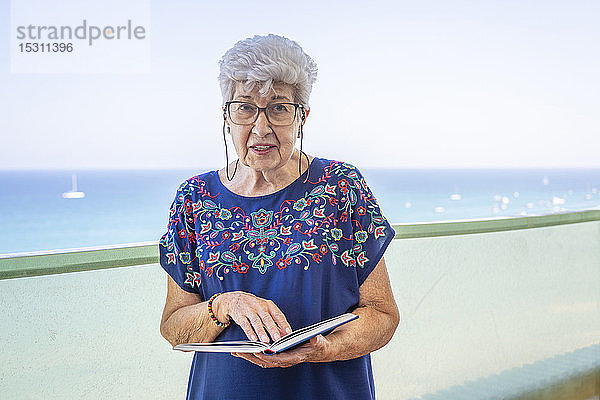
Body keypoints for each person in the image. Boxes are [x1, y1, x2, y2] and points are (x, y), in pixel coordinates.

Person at [159, 34, 399, 400]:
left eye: (278, 108)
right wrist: (223, 305)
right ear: (226, 117)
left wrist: (327, 349)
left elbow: (383, 316)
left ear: (302, 117)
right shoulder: (194, 198)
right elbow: (174, 328)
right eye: (244, 108)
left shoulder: (340, 187)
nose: (260, 128)